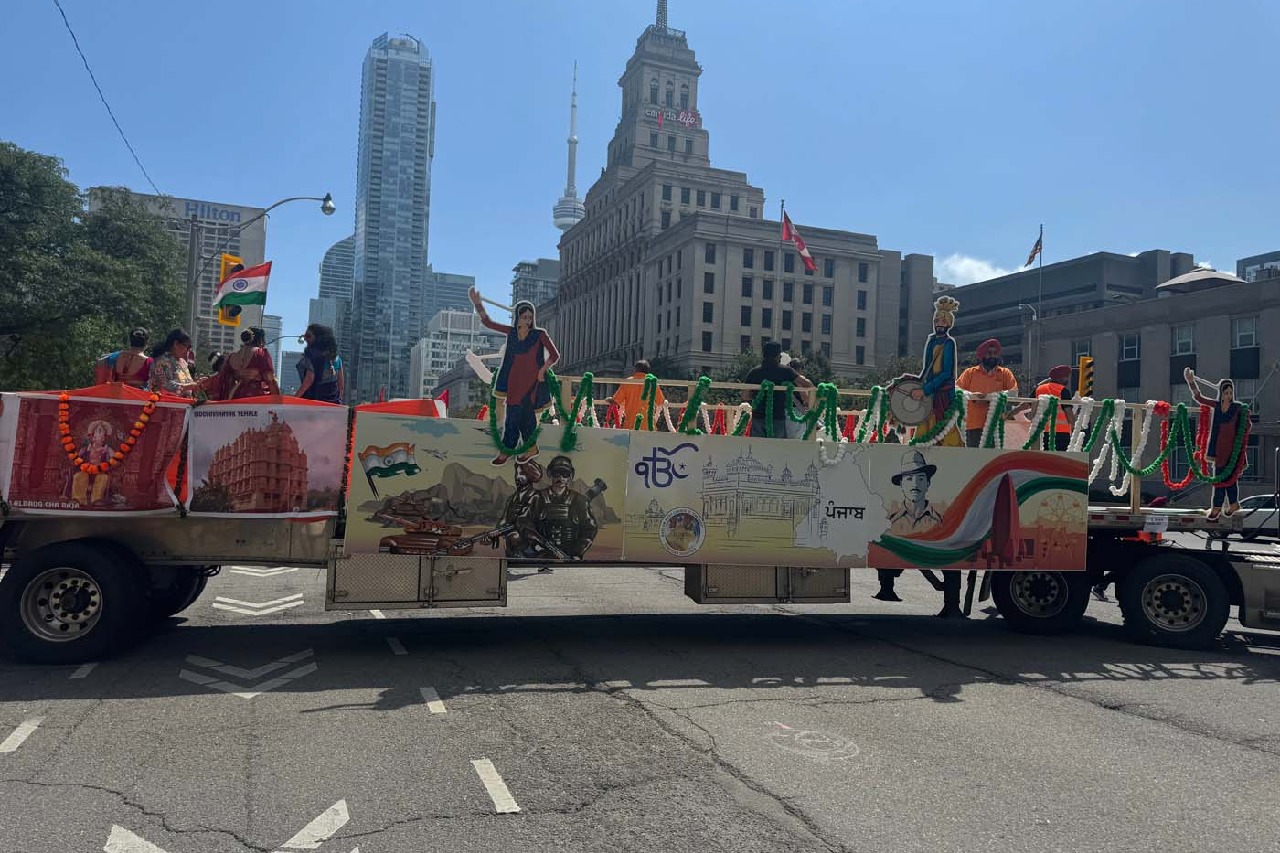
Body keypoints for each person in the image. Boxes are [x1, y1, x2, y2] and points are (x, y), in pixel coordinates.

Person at [470, 289, 560, 465]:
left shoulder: (539, 334)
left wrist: (543, 370)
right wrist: (477, 304)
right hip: (513, 383)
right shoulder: (511, 333)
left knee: (516, 417)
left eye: (529, 317)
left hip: (531, 384)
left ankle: (508, 451)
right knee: (520, 417)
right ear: (518, 318)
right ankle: (528, 448)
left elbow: (554, 355)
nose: (527, 320)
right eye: (524, 317)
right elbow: (488, 323)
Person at [1185, 368, 1245, 520]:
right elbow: (1200, 398)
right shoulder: (1217, 406)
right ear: (1221, 393)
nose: (1229, 395)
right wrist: (1191, 382)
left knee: (1231, 478)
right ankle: (1217, 507)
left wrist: (1247, 417)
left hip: (1233, 449)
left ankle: (1233, 503)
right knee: (1219, 478)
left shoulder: (1238, 408)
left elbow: (1245, 425)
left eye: (1231, 393)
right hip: (1219, 449)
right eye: (1226, 393)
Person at [907, 297, 964, 447]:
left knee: (945, 426)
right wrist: (916, 384)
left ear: (949, 324)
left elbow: (946, 373)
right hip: (930, 392)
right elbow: (926, 369)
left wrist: (925, 389)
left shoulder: (949, 343)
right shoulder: (931, 341)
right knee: (925, 425)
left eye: (943, 322)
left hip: (943, 393)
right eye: (937, 321)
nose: (939, 324)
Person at [518, 455, 599, 560]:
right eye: (556, 473)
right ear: (549, 474)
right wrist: (538, 543)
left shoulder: (580, 501)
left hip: (570, 556)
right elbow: (523, 522)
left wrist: (577, 552)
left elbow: (590, 529)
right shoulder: (537, 498)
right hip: (542, 556)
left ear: (571, 476)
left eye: (565, 474)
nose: (560, 478)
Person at [743, 341, 814, 438]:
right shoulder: (785, 371)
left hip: (758, 417)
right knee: (777, 449)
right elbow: (807, 384)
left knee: (757, 448)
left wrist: (755, 396)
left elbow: (745, 395)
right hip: (777, 417)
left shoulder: (754, 372)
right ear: (777, 355)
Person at [956, 338, 1019, 448]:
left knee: (993, 460)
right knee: (975, 459)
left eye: (995, 353)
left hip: (995, 424)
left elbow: (1014, 393)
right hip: (973, 424)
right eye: (989, 353)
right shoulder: (970, 373)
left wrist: (991, 397)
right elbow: (956, 389)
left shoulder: (1005, 373)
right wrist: (974, 396)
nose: (992, 356)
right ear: (982, 355)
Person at [217, 326, 280, 400]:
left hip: (236, 398)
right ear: (261, 340)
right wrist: (278, 400)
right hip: (256, 399)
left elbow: (226, 383)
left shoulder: (232, 357)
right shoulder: (260, 353)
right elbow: (270, 380)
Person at [611, 360, 666, 430]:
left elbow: (616, 401)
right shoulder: (653, 383)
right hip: (648, 426)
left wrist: (608, 400)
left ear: (636, 369)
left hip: (630, 425)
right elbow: (661, 401)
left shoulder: (628, 382)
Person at [296, 324, 344, 403]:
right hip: (333, 403)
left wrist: (295, 398)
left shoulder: (311, 355)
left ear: (318, 338)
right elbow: (341, 386)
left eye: (308, 336)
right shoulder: (337, 359)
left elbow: (309, 380)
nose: (304, 339)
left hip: (315, 402)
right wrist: (339, 403)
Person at [1034, 365, 1077, 451]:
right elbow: (1068, 412)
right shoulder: (1063, 391)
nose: (1067, 379)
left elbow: (1026, 404)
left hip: (1042, 431)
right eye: (1065, 377)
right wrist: (1075, 427)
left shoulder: (1039, 389)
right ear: (1059, 378)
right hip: (1061, 433)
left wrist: (1011, 414)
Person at [147, 329, 199, 397]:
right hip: (165, 404)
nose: (187, 350)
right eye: (187, 346)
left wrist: (198, 384)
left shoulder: (182, 363)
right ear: (176, 344)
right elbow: (164, 388)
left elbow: (189, 384)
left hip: (184, 405)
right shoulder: (161, 362)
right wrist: (190, 386)